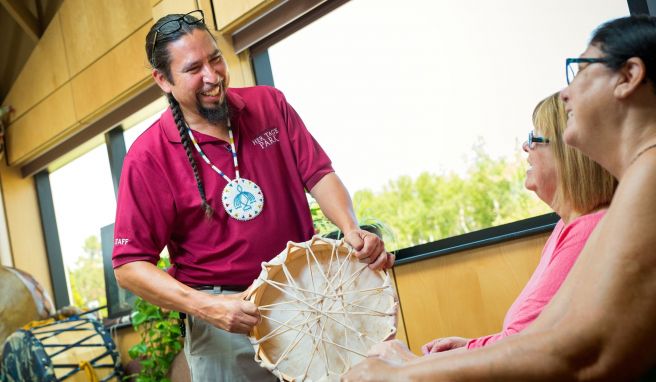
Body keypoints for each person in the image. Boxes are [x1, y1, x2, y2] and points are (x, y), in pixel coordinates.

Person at [342, 14, 656, 381]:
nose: (566, 92)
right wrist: (411, 365)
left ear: (629, 75)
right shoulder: (635, 185)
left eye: (580, 70)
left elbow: (584, 356)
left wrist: (403, 374)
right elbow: (541, 336)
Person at [111, 10, 393, 381]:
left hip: (308, 297)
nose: (212, 76)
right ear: (162, 80)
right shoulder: (148, 156)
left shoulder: (269, 105)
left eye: (216, 59)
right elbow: (129, 266)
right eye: (194, 68)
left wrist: (350, 228)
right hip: (228, 323)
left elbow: (319, 173)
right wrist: (208, 307)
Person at [367, 92, 616, 363]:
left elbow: (528, 349)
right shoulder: (564, 227)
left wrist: (409, 364)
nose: (524, 146)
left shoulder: (588, 230)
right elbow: (525, 337)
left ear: (570, 154)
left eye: (534, 138)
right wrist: (472, 346)